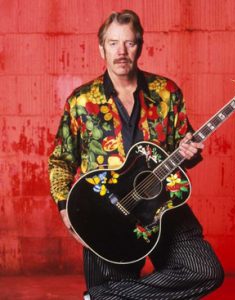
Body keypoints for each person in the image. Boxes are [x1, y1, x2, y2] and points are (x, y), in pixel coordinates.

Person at [48, 9, 224, 300]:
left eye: (129, 43)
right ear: (101, 47)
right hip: (106, 215)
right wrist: (65, 208)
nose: (121, 51)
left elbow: (185, 151)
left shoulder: (167, 92)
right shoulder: (81, 101)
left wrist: (190, 152)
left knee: (205, 271)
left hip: (162, 209)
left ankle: (103, 296)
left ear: (140, 46)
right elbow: (60, 161)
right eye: (113, 43)